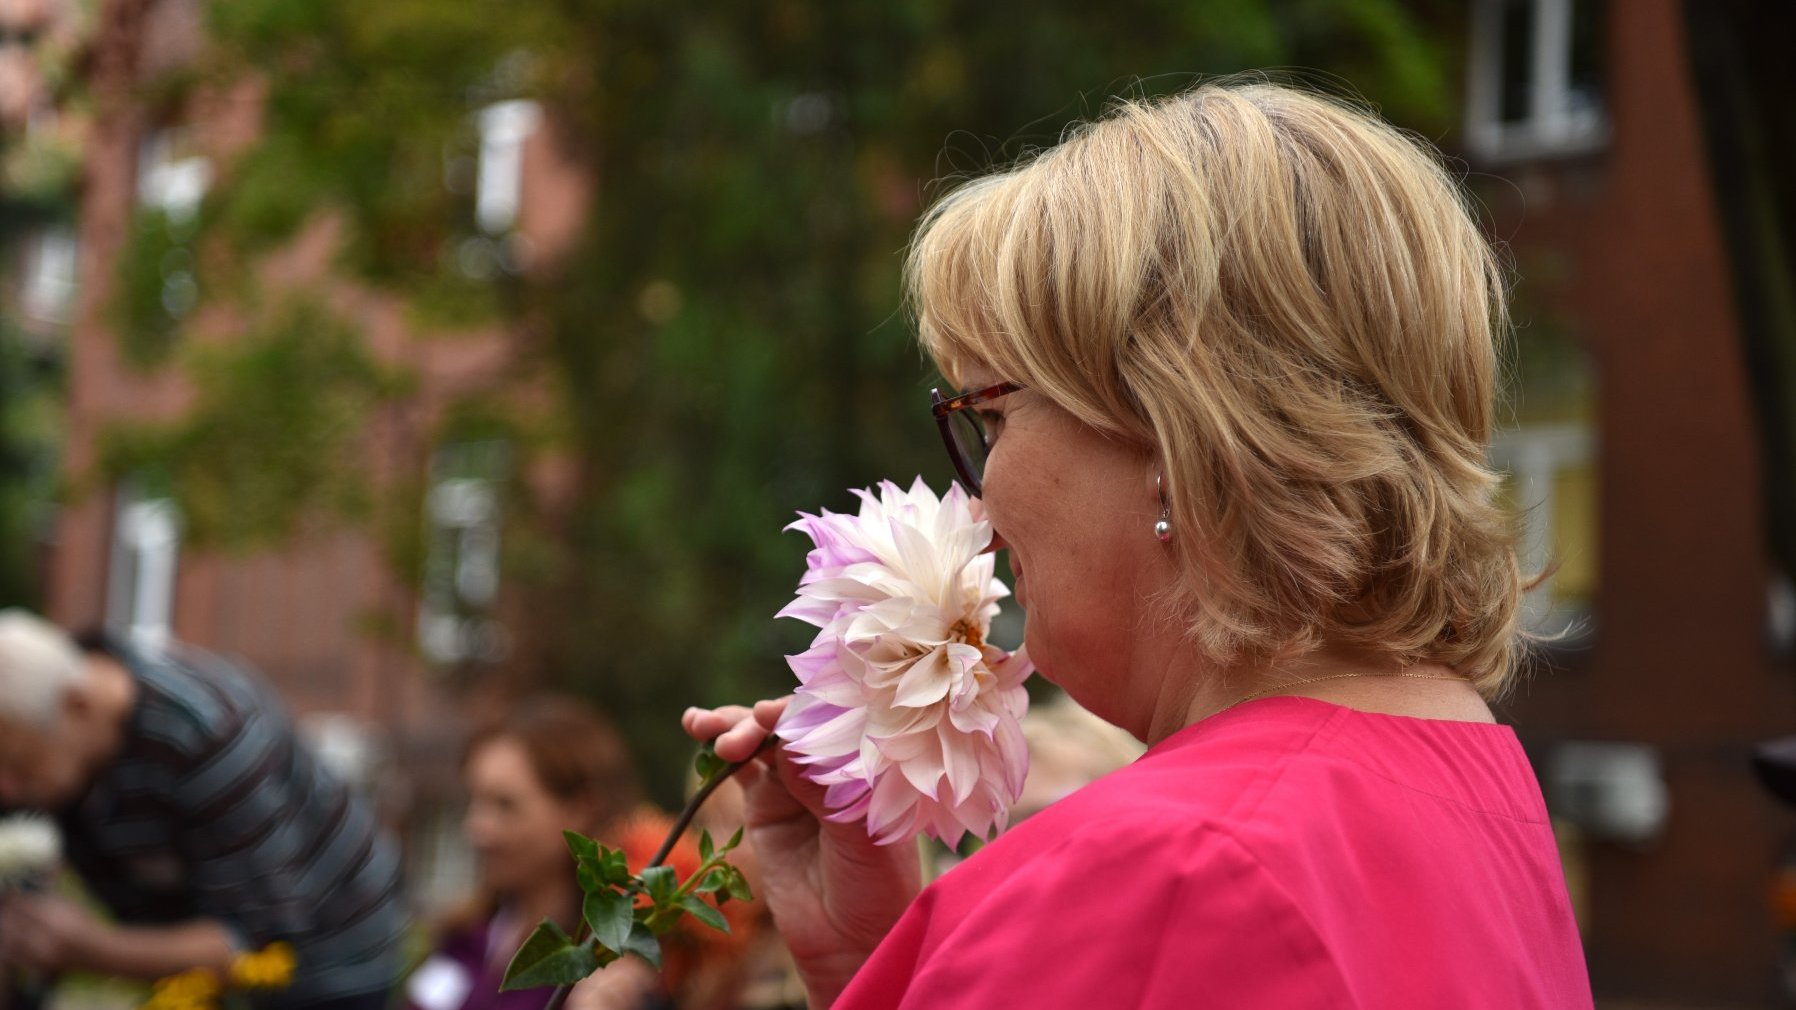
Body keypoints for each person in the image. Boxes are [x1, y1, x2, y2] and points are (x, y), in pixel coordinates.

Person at [684, 80, 1594, 1008]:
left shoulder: (1166, 867)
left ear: (1170, 433)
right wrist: (892, 965)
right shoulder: (1470, 786)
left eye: (989, 419)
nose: (978, 506)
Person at [0, 611, 404, 1009]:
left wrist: (92, 948)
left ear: (79, 706)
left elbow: (253, 946)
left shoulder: (207, 736)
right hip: (191, 949)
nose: (6, 788)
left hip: (329, 948)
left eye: (19, 765)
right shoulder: (42, 721)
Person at [407, 697, 663, 1010]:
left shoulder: (605, 968)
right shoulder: (466, 937)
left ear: (581, 809)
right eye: (474, 801)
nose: (476, 828)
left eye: (505, 805)